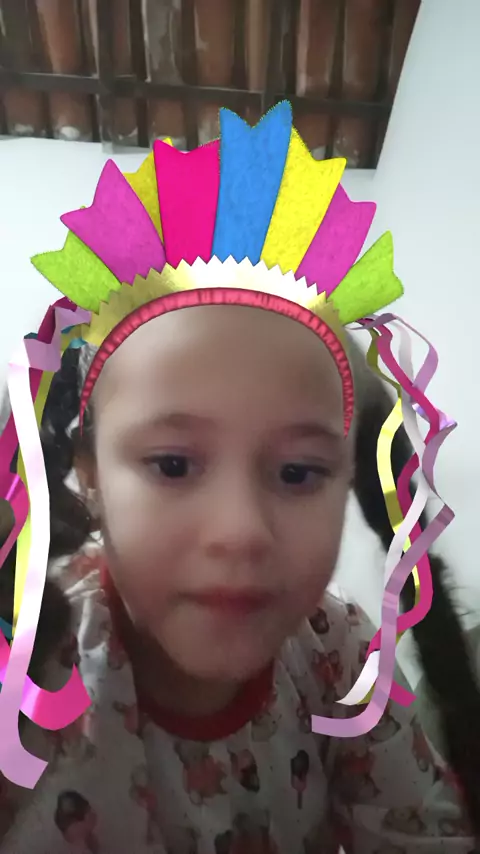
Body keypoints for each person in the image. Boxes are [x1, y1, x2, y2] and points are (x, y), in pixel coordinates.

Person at [0, 101, 479, 853]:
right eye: (173, 464)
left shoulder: (343, 656)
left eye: (298, 471)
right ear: (88, 471)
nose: (241, 531)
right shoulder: (32, 680)